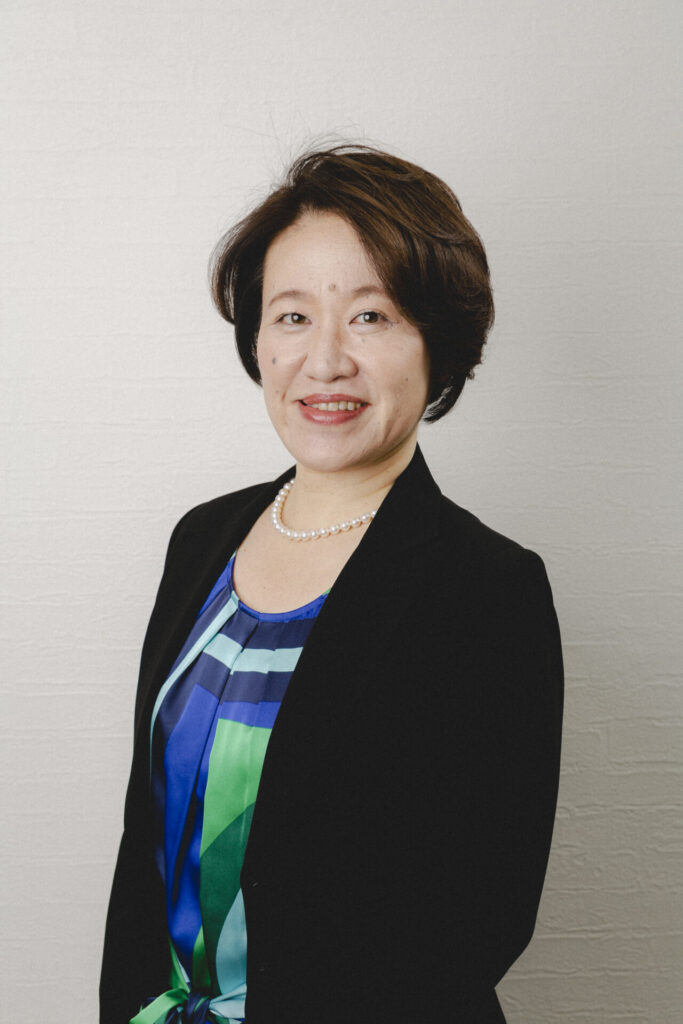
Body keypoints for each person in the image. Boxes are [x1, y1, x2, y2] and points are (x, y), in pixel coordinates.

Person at [100, 144, 564, 1024]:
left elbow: (477, 922)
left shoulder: (486, 590)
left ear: (438, 344)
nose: (324, 361)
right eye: (291, 316)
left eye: (370, 317)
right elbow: (147, 843)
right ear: (257, 339)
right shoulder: (202, 538)